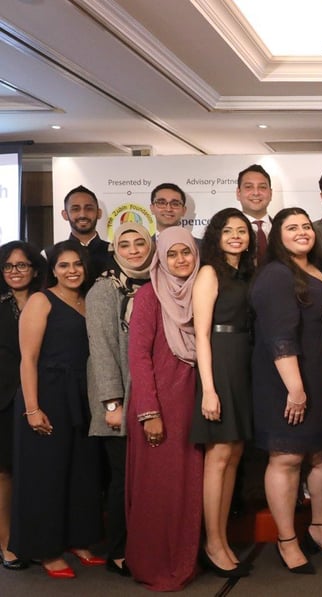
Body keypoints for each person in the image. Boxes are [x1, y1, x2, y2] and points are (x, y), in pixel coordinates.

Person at [10, 241, 104, 578]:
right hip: (47, 394)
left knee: (81, 471)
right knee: (45, 475)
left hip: (81, 395)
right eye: (64, 266)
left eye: (77, 264)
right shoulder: (41, 300)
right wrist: (32, 409)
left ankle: (78, 540)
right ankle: (46, 550)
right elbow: (28, 359)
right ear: (53, 270)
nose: (72, 271)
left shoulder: (87, 299)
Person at [250, 207, 322, 575]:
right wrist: (296, 389)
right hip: (287, 382)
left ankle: (319, 527)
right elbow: (279, 335)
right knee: (286, 459)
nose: (302, 232)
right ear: (277, 235)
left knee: (321, 456)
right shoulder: (276, 274)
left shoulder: (318, 268)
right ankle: (286, 539)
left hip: (319, 377)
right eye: (291, 227)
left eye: (305, 226)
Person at [125, 227, 204, 590]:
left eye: (185, 252)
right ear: (160, 258)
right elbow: (138, 357)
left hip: (192, 400)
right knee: (156, 489)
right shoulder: (148, 295)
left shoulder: (201, 294)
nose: (180, 260)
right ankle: (153, 564)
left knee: (186, 487)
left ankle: (183, 561)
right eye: (171, 254)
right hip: (157, 403)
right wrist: (149, 411)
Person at [85, 222, 154, 577]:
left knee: (145, 482)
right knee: (122, 481)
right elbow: (102, 352)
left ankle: (143, 546)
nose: (133, 249)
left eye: (139, 242)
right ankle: (117, 552)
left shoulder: (157, 283)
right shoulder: (104, 290)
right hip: (119, 403)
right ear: (115, 251)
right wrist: (113, 404)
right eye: (125, 244)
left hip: (149, 399)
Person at [191, 208, 256, 577]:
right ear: (216, 236)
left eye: (241, 230)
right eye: (228, 230)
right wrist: (209, 389)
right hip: (219, 361)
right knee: (218, 455)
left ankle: (223, 539)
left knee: (234, 453)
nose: (236, 236)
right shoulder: (209, 272)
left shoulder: (247, 272)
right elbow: (201, 334)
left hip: (244, 362)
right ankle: (211, 543)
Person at [0, 241, 46, 571]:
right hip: (2, 397)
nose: (16, 272)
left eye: (22, 265)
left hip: (41, 395)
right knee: (4, 473)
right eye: (9, 266)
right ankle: (6, 541)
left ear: (34, 269)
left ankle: (34, 538)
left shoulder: (46, 302)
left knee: (34, 471)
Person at [46, 185, 113, 283]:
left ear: (99, 213)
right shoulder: (49, 255)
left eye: (89, 208)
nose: (82, 215)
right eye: (75, 209)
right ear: (65, 215)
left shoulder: (114, 252)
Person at [235, 164, 274, 264]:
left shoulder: (283, 230)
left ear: (270, 193)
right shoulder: (224, 234)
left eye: (262, 187)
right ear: (238, 193)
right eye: (249, 187)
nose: (256, 192)